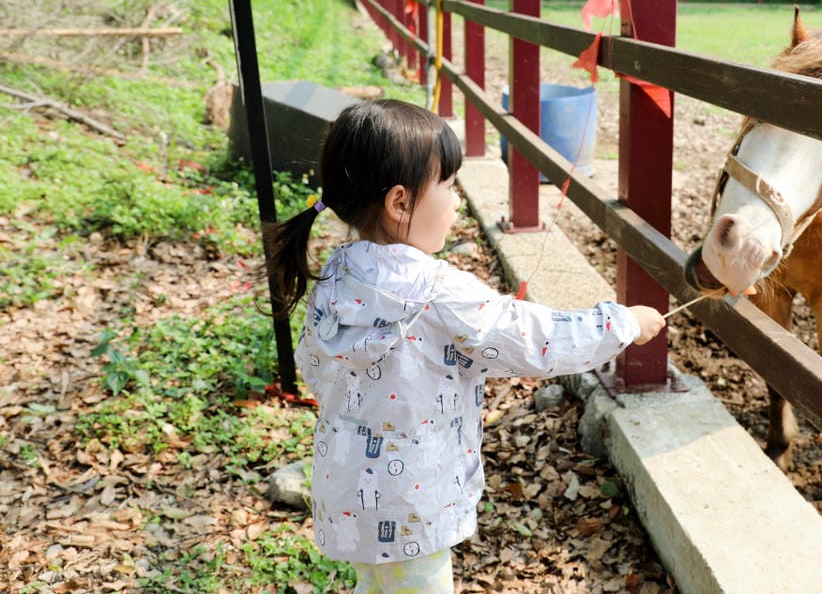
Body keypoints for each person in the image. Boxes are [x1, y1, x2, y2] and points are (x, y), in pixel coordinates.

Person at [264, 99, 665, 594]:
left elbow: (312, 365)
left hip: (346, 494)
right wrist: (622, 323)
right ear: (400, 203)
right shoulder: (437, 293)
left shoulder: (337, 273)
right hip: (412, 506)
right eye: (449, 186)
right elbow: (536, 339)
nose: (456, 202)